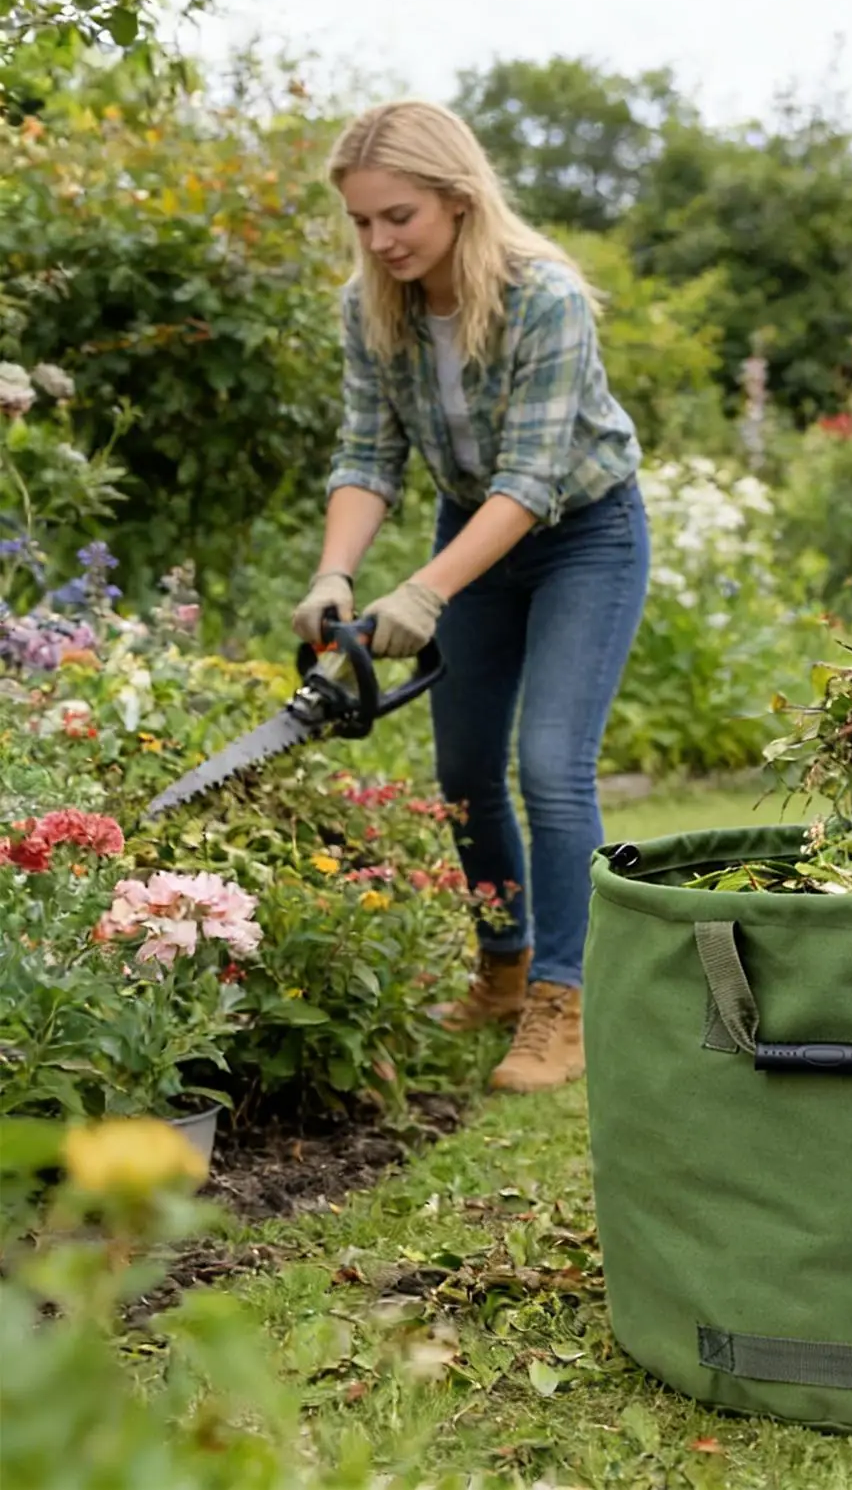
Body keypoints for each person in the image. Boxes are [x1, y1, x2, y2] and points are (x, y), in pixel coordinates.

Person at [291, 99, 650, 1095]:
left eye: (397, 216)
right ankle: (500, 966)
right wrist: (337, 573)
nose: (378, 239)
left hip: (584, 533)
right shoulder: (371, 306)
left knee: (550, 765)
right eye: (362, 221)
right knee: (461, 770)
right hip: (472, 532)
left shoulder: (544, 297)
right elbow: (368, 453)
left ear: (457, 199)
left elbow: (531, 481)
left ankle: (562, 998)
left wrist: (428, 589)